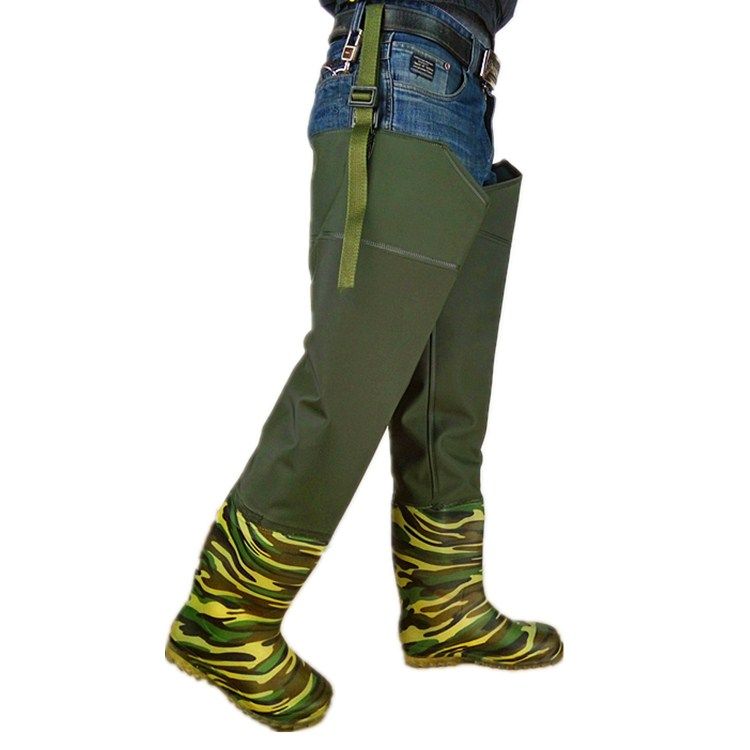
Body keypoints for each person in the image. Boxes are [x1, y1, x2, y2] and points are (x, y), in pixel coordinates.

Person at [164, 0, 563, 732]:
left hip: (463, 86)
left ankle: (444, 605)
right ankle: (226, 618)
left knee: (449, 383)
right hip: (400, 68)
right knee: (353, 377)